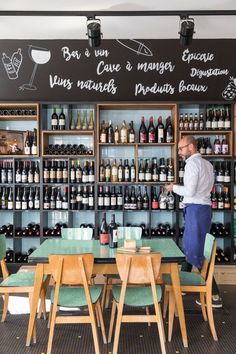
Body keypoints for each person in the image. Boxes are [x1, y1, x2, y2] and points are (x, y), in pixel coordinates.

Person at [166, 135, 222, 308]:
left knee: (196, 250)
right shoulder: (208, 164)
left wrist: (172, 188)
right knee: (190, 246)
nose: (180, 152)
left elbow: (189, 191)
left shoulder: (192, 164)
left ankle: (214, 294)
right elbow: (207, 189)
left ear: (191, 147)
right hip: (204, 209)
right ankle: (181, 284)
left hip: (196, 210)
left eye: (181, 149)